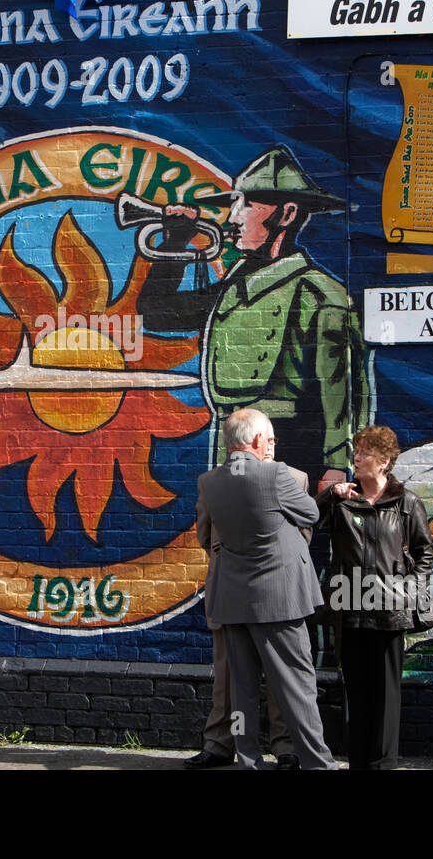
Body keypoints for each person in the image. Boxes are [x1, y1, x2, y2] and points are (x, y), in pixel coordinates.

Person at [136, 146, 369, 487]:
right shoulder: (233, 288)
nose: (232, 217)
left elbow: (343, 392)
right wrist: (174, 243)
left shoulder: (320, 295)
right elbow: (157, 314)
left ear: (286, 215)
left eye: (245, 205)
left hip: (293, 450)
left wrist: (338, 464)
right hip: (231, 446)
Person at [196, 408, 334, 770]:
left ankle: (249, 758)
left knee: (241, 690)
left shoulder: (209, 482)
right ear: (257, 440)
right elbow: (311, 514)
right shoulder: (277, 475)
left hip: (233, 599)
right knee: (297, 686)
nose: (272, 445)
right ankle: (317, 762)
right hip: (279, 600)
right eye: (269, 439)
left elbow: (206, 535)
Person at [317, 424, 433, 770]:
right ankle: (359, 763)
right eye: (357, 451)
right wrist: (330, 495)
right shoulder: (342, 501)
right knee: (357, 693)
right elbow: (307, 520)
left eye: (365, 452)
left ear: (384, 461)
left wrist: (408, 590)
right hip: (349, 609)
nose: (357, 457)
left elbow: (425, 552)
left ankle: (383, 765)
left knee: (385, 697)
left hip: (389, 613)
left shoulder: (407, 503)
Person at [187, 435, 303, 770]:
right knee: (227, 678)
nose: (270, 445)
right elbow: (206, 535)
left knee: (280, 675)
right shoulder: (216, 484)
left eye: (272, 440)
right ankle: (220, 743)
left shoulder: (294, 479)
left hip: (277, 595)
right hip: (230, 592)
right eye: (265, 440)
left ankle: (286, 748)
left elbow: (301, 539)